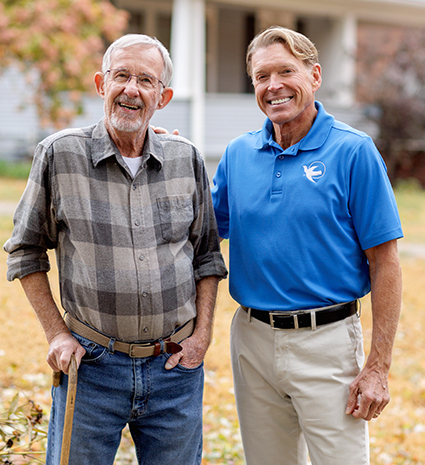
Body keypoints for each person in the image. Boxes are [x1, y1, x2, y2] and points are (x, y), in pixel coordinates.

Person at [4, 34, 227, 465]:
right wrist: (56, 333)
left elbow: (207, 256)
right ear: (99, 84)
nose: (131, 89)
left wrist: (202, 337)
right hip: (90, 368)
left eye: (146, 80)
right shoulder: (59, 155)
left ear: (163, 98)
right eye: (121, 76)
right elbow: (25, 251)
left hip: (174, 370)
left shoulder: (187, 159)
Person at [211, 26, 403, 465]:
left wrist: (377, 367)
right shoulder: (238, 154)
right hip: (252, 342)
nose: (273, 85)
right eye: (262, 76)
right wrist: (158, 153)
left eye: (285, 71)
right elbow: (201, 231)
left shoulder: (354, 152)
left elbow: (386, 264)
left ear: (314, 76)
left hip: (328, 344)